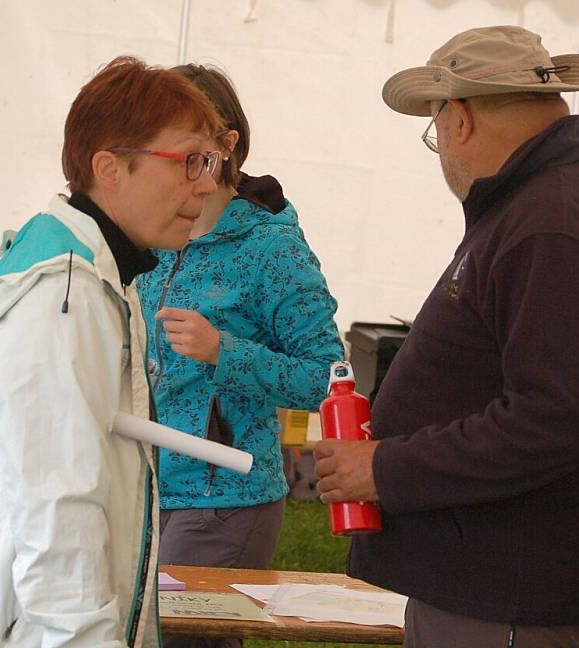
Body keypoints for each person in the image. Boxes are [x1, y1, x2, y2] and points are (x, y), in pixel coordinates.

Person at [314, 26, 579, 648]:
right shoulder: (547, 202)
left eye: (435, 128)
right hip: (500, 590)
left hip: (513, 597)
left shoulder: (551, 221)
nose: (440, 145)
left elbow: (558, 419)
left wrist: (386, 468)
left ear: (461, 119)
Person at [0, 56, 222, 647]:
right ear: (110, 168)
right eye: (190, 161)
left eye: (212, 161)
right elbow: (58, 508)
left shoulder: (95, 273)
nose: (206, 183)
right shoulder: (64, 292)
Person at [136, 64, 343, 648]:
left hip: (225, 501)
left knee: (175, 640)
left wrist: (225, 352)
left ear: (226, 146)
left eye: (187, 151)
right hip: (142, 489)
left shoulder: (270, 247)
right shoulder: (147, 230)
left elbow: (329, 379)